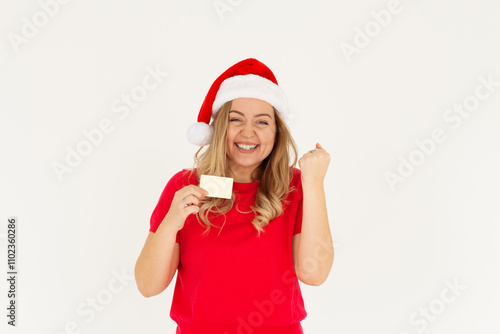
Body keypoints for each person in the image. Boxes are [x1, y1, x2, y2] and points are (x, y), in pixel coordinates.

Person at [134, 58, 333, 334]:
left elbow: (315, 274)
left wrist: (314, 182)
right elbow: (147, 285)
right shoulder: (185, 186)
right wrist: (171, 223)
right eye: (235, 119)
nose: (247, 132)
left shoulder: (296, 186)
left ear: (276, 133)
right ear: (216, 129)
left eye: (262, 122)